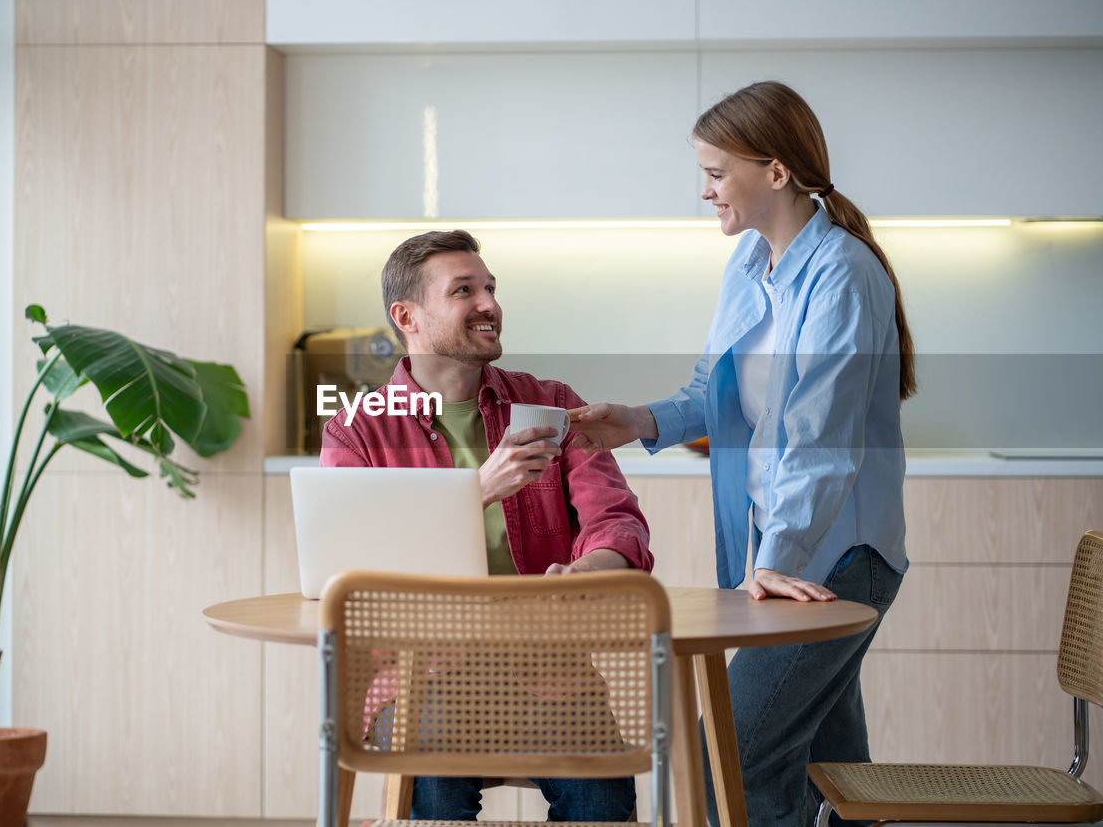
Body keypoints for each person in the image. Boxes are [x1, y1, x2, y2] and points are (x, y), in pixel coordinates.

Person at [570, 81, 914, 827]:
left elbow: (821, 442)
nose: (704, 190)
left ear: (777, 172)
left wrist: (775, 561)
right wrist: (634, 419)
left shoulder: (842, 275)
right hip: (788, 555)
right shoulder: (750, 264)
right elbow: (713, 389)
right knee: (831, 773)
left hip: (836, 558)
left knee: (730, 756)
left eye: (717, 172)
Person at [321, 228, 653, 821]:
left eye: (491, 288)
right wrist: (476, 491)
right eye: (464, 291)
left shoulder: (550, 402)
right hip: (420, 674)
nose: (489, 304)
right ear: (407, 316)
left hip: (548, 665)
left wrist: (588, 570)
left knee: (605, 800)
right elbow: (353, 565)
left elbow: (616, 520)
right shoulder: (357, 429)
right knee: (437, 796)